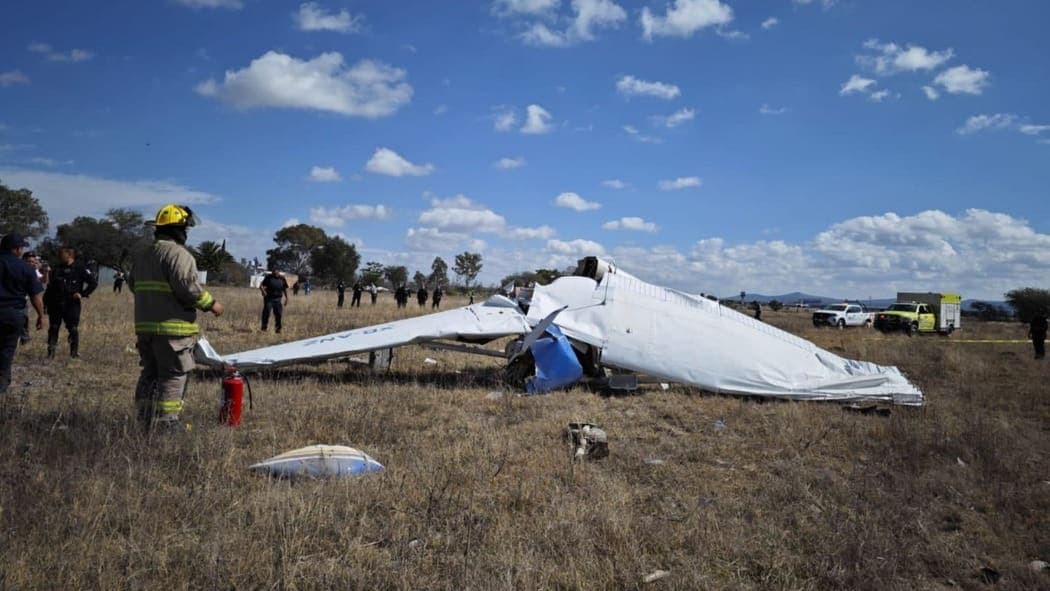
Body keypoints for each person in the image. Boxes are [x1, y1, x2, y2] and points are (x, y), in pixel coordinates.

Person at [129, 205, 224, 430]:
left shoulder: (143, 255)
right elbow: (188, 288)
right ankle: (167, 423)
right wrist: (212, 305)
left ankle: (145, 419)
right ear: (178, 230)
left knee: (150, 373)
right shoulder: (179, 255)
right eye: (185, 229)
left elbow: (134, 284)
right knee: (174, 374)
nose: (186, 233)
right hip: (173, 330)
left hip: (145, 328)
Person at [1, 234, 45, 396]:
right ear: (18, 249)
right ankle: (2, 385)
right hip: (13, 314)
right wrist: (41, 315)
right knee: (7, 349)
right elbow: (35, 296)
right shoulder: (25, 268)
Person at [43, 247, 97, 358]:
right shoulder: (56, 269)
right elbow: (50, 288)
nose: (60, 256)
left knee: (72, 328)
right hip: (56, 303)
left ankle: (73, 353)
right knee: (53, 327)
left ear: (70, 255)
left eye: (62, 254)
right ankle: (51, 353)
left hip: (71, 303)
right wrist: (45, 303)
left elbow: (93, 283)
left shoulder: (80, 269)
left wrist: (82, 293)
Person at [20, 251, 44, 345]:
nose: (31, 263)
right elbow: (35, 295)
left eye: (32, 262)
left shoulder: (33, 271)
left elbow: (42, 281)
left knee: (24, 321)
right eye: (28, 261)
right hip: (16, 301)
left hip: (22, 301)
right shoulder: (23, 270)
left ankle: (24, 340)